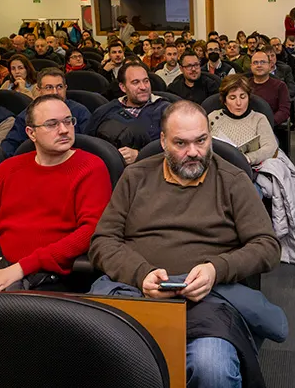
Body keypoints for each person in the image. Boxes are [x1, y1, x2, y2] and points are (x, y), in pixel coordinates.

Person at [88, 100, 281, 386]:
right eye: (181, 143)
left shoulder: (233, 180)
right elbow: (103, 241)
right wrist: (140, 275)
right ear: (163, 141)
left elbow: (267, 246)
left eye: (201, 141)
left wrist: (217, 269)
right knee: (101, 360)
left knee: (212, 368)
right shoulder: (136, 177)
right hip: (137, 292)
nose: (193, 152)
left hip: (207, 299)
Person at [0, 95, 111, 293]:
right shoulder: (9, 168)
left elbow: (90, 231)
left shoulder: (90, 167)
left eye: (68, 121)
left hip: (48, 273)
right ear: (31, 133)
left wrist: (20, 269)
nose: (64, 129)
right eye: (52, 124)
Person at [88, 60, 171, 165]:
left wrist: (140, 155)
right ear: (123, 87)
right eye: (135, 82)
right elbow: (90, 145)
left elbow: (176, 148)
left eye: (146, 81)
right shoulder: (106, 110)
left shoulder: (165, 110)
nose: (143, 87)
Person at [1, 68, 91, 157]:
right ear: (39, 90)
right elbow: (10, 144)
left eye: (59, 87)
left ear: (65, 88)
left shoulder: (80, 112)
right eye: (49, 87)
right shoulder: (27, 114)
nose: (55, 92)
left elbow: (90, 145)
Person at [208, 75, 278, 165]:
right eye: (232, 98)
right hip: (219, 168)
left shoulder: (259, 119)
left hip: (251, 168)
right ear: (224, 101)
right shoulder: (212, 117)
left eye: (242, 97)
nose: (238, 103)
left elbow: (270, 147)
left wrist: (247, 159)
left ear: (248, 98)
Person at [249, 49, 290, 125]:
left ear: (270, 65)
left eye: (263, 62)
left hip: (270, 126)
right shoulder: (244, 85)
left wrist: (268, 123)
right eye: (255, 62)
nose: (259, 65)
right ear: (251, 66)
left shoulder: (280, 86)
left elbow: (284, 111)